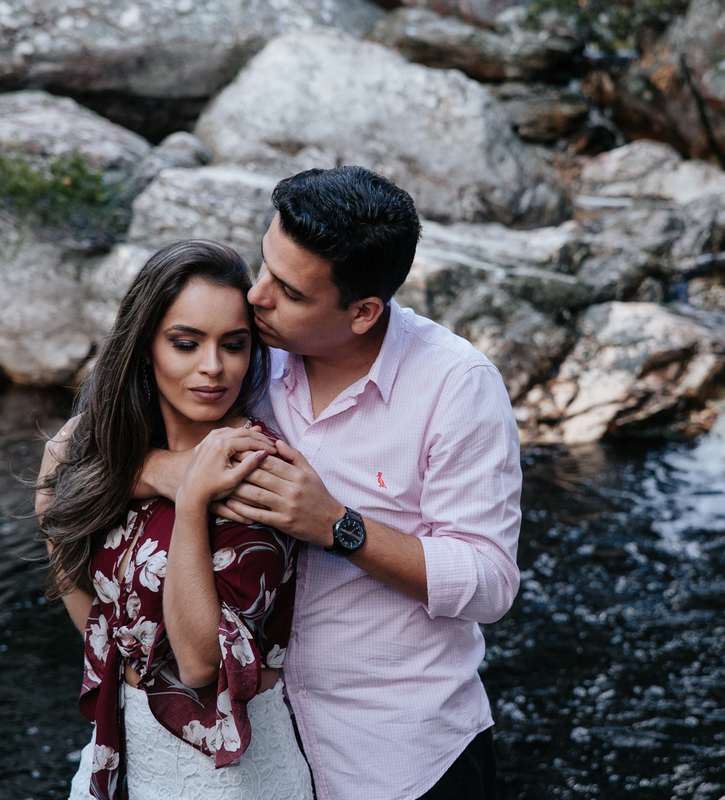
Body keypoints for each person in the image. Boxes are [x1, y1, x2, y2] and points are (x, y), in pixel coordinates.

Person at [137, 166, 523, 800]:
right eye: (263, 266)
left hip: (408, 760)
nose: (256, 295)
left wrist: (337, 527)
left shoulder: (457, 386)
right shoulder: (244, 350)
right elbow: (78, 451)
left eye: (287, 291)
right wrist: (174, 474)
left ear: (364, 311)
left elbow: (489, 583)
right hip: (262, 757)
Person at [35, 240, 314, 800]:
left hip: (227, 774)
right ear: (145, 348)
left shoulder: (258, 471)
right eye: (186, 344)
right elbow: (60, 517)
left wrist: (190, 505)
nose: (212, 367)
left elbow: (198, 664)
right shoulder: (106, 444)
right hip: (122, 743)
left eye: (234, 346)